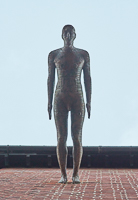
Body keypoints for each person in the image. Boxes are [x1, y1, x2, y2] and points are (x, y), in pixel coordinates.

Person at [47, 25, 92, 184]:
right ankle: (63, 174)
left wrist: (89, 101)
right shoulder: (54, 55)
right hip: (59, 96)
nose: (68, 35)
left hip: (77, 96)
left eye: (70, 32)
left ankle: (75, 174)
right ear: (62, 35)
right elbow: (50, 79)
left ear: (75, 35)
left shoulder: (83, 54)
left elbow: (87, 78)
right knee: (61, 137)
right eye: (65, 32)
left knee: (77, 137)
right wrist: (49, 102)